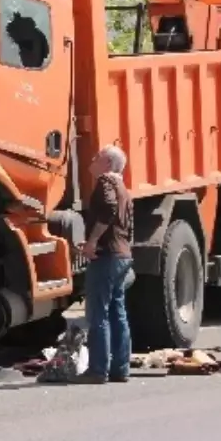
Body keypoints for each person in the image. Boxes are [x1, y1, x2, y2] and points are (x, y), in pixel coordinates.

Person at [75, 145, 134, 384]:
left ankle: (98, 370)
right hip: (121, 256)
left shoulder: (105, 183)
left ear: (108, 164)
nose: (92, 158)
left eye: (97, 156)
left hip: (106, 256)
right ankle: (121, 368)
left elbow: (108, 210)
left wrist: (92, 242)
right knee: (117, 311)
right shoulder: (124, 188)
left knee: (98, 312)